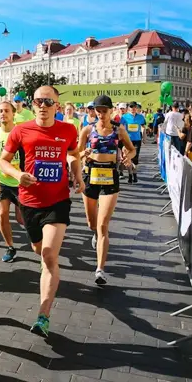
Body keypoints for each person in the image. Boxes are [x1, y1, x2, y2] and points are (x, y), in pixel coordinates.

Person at [0, 85, 83, 338]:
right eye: (38, 102)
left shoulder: (68, 129)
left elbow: (73, 154)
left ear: (57, 105)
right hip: (29, 202)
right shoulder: (20, 130)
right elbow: (2, 161)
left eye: (48, 102)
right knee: (39, 250)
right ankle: (50, 272)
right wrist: (17, 174)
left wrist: (78, 176)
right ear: (32, 104)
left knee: (48, 254)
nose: (43, 106)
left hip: (58, 201)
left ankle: (43, 316)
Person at [78, 95, 135, 285]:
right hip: (90, 176)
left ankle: (100, 269)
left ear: (111, 111)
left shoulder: (119, 131)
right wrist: (83, 154)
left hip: (110, 177)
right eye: (98, 110)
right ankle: (94, 233)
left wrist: (128, 158)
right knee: (91, 223)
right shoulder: (87, 129)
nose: (101, 114)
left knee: (103, 226)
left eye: (104, 110)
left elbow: (131, 148)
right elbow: (75, 152)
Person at [0, 100, 25, 263]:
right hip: (2, 182)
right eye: (0, 111)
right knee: (2, 215)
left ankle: (39, 242)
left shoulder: (21, 133)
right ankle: (10, 247)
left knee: (22, 218)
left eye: (6, 111)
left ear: (13, 114)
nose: (3, 113)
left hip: (21, 182)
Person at [120, 101, 146, 184]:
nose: (133, 109)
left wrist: (144, 137)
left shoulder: (141, 117)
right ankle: (130, 174)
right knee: (128, 158)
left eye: (134, 107)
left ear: (137, 108)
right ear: (128, 108)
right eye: (131, 107)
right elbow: (121, 129)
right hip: (128, 140)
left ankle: (135, 174)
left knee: (135, 159)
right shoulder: (124, 117)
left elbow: (143, 127)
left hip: (137, 140)